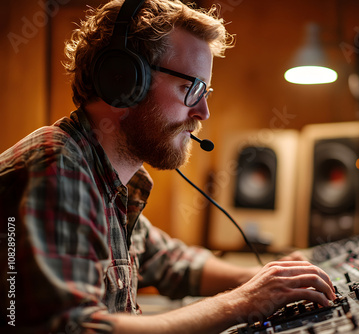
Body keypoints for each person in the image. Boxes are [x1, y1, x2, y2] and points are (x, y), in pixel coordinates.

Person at [0, 0, 335, 333]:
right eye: (191, 88)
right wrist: (243, 302)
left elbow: (171, 262)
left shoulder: (113, 181)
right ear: (124, 82)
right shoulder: (57, 168)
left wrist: (265, 280)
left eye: (206, 91)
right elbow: (75, 328)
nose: (203, 112)